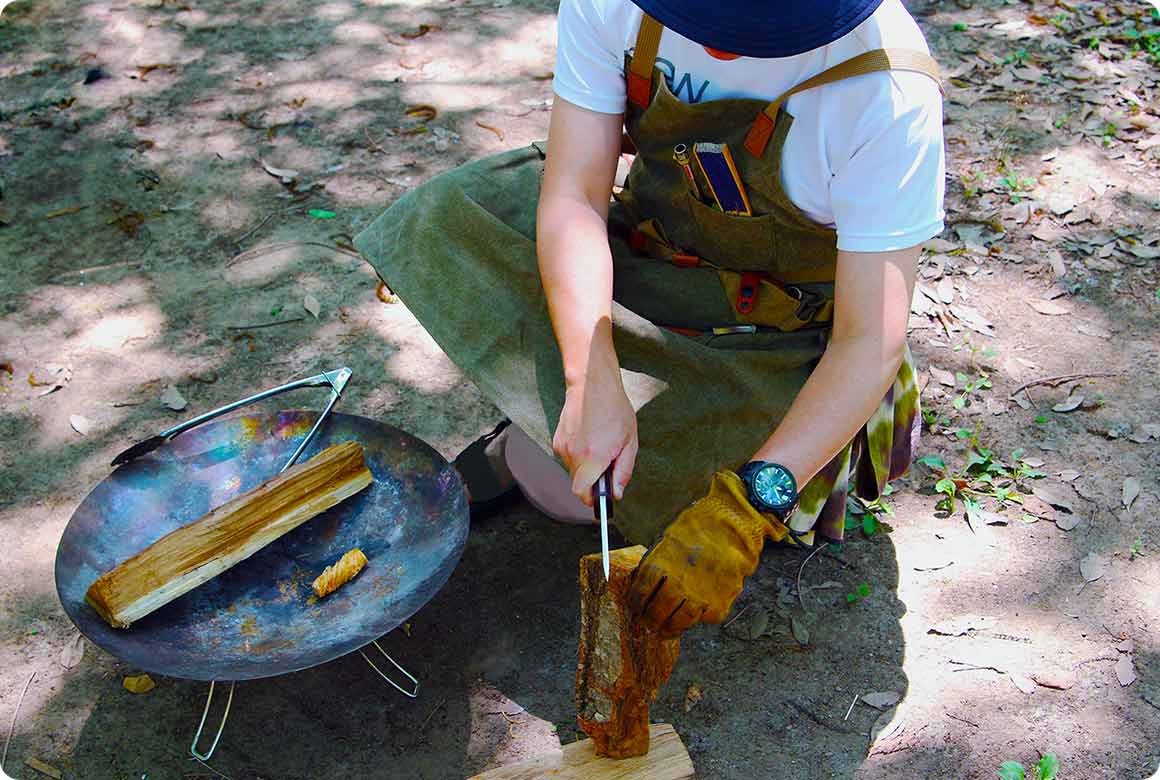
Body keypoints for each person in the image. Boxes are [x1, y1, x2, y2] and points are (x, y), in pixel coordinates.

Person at [353, 0, 944, 637]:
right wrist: (589, 373)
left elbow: (866, 344)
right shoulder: (615, 6)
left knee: (567, 486)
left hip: (774, 343)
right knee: (451, 217)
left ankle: (554, 444)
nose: (717, 45)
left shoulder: (885, 93)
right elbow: (576, 194)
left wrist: (745, 506)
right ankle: (566, 421)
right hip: (647, 259)